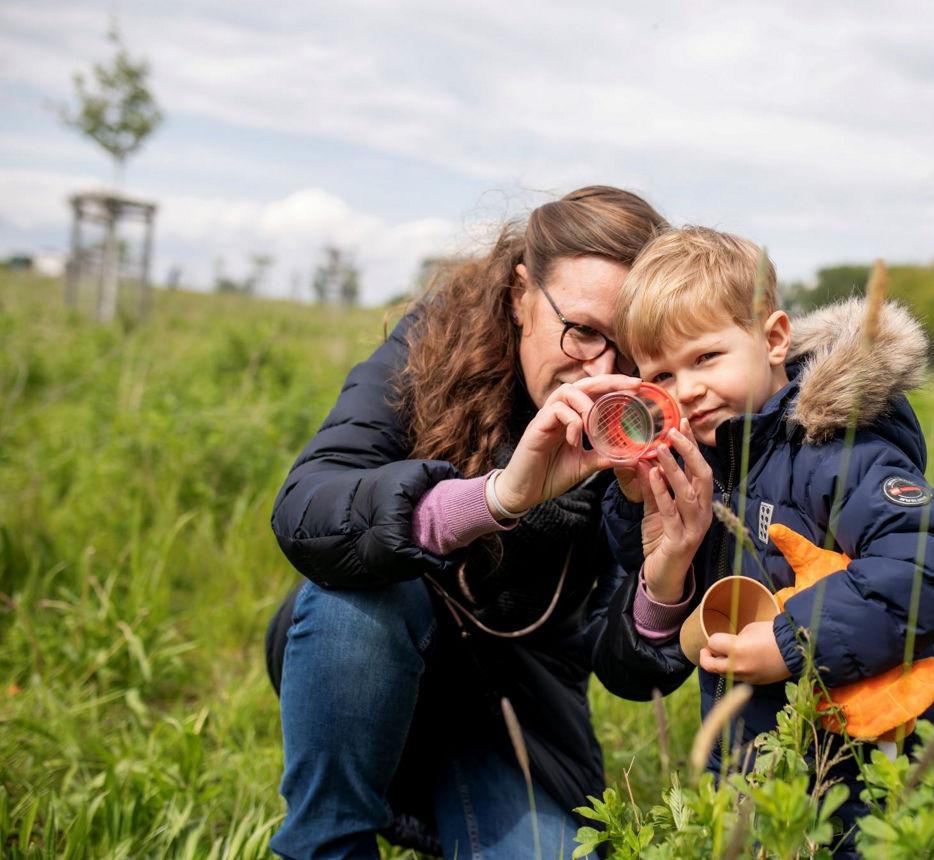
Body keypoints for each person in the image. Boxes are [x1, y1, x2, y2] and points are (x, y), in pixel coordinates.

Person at [263, 186, 668, 860]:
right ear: (519, 293)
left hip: (517, 717)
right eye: (584, 331)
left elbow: (634, 675)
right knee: (367, 590)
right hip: (365, 659)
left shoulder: (649, 414)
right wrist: (499, 498)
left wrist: (668, 566)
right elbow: (309, 507)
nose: (602, 371)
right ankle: (327, 844)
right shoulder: (434, 344)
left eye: (628, 349)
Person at [591, 227, 934, 855]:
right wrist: (639, 513)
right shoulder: (701, 462)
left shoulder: (832, 449)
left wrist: (792, 641)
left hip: (868, 767)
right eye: (661, 372)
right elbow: (659, 596)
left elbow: (929, 554)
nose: (685, 389)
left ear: (773, 339)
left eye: (706, 358)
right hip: (752, 765)